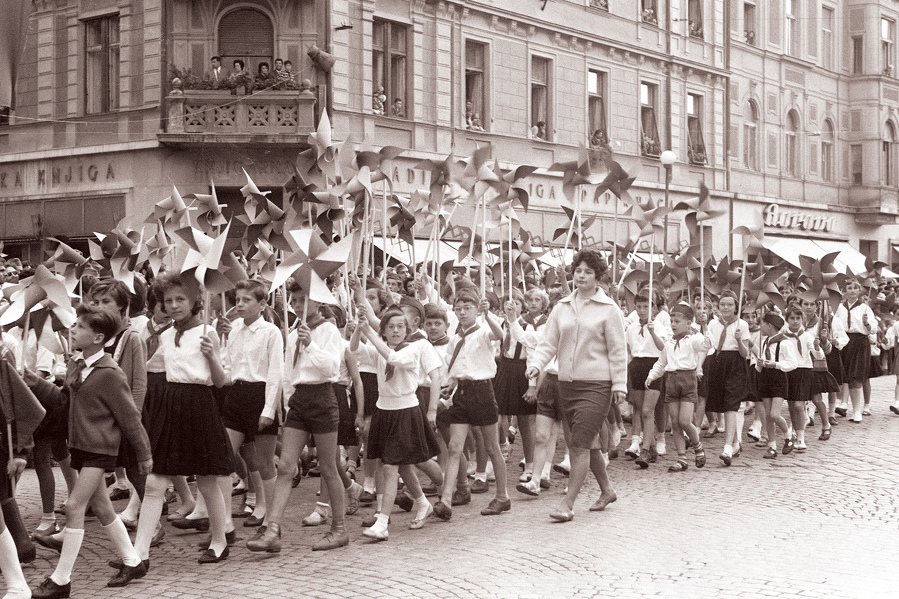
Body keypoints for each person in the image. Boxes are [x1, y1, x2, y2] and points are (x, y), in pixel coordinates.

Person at [28, 307, 152, 597]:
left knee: (73, 508)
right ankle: (133, 562)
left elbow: (130, 417)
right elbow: (62, 401)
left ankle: (61, 580)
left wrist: (144, 454)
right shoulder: (77, 364)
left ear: (99, 337)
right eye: (75, 325)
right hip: (81, 447)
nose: (73, 330)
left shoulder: (111, 373)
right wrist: (32, 381)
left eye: (80, 327)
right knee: (105, 508)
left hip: (101, 449)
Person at [130, 273, 233, 568]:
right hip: (170, 407)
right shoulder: (164, 335)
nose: (174, 305)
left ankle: (219, 541)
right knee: (154, 482)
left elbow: (221, 381)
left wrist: (212, 356)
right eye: (168, 300)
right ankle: (139, 553)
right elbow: (150, 368)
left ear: (195, 301)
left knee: (207, 481)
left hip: (199, 405)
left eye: (180, 299)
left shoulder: (208, 332)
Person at [247, 281, 348, 553]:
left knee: (328, 466)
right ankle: (272, 530)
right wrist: (288, 402)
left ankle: (338, 528)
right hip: (300, 401)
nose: (297, 305)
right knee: (286, 466)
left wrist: (311, 344)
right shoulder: (292, 334)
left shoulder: (328, 330)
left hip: (323, 398)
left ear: (317, 301)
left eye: (303, 299)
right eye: (294, 300)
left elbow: (331, 370)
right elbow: (290, 373)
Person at [526, 249, 623, 521]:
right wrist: (535, 365)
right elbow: (548, 343)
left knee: (578, 444)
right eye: (578, 270)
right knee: (583, 441)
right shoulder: (562, 307)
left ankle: (567, 504)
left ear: (598, 276)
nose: (582, 276)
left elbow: (618, 350)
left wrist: (620, 385)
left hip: (597, 385)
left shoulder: (609, 309)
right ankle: (607, 489)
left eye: (588, 272)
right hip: (566, 384)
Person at [350, 308, 441, 540]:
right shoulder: (379, 348)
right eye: (391, 327)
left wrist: (369, 332)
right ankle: (422, 503)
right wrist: (359, 328)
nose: (396, 331)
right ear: (384, 330)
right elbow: (354, 350)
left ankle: (382, 522)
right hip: (384, 411)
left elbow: (394, 359)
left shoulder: (414, 348)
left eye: (400, 326)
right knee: (401, 465)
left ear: (407, 329)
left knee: (392, 466)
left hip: (406, 410)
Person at [432, 288, 511, 521]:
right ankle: (446, 499)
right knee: (455, 447)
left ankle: (502, 496)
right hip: (462, 392)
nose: (463, 312)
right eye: (459, 308)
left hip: (483, 391)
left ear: (477, 310)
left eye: (468, 308)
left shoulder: (484, 330)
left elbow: (500, 336)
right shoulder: (455, 339)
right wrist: (451, 382)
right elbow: (457, 366)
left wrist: (488, 316)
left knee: (492, 447)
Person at [216, 280, 284, 530]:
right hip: (236, 395)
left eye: (247, 300)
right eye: (238, 299)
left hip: (260, 395)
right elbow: (226, 370)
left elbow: (275, 373)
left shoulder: (271, 332)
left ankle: (269, 515)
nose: (240, 304)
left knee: (264, 462)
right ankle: (223, 522)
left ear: (262, 304)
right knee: (223, 458)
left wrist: (269, 409)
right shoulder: (233, 330)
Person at [644, 302, 710, 471]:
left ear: (689, 323)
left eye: (677, 321)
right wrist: (651, 376)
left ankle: (697, 446)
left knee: (684, 420)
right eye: (671, 321)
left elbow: (707, 345)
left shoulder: (693, 339)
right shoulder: (668, 343)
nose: (673, 324)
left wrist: (705, 326)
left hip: (688, 380)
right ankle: (681, 457)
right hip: (671, 381)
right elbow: (661, 363)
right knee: (674, 423)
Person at [705, 290, 750, 466]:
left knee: (731, 405)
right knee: (723, 405)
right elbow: (708, 345)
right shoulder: (713, 324)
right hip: (718, 362)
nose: (725, 307)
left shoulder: (742, 325)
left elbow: (745, 354)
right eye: (722, 304)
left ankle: (727, 448)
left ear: (735, 307)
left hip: (735, 364)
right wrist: (703, 327)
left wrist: (739, 340)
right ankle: (736, 443)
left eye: (730, 304)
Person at [625, 291, 669, 469]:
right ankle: (650, 447)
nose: (642, 311)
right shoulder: (631, 328)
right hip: (637, 366)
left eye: (646, 307)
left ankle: (644, 449)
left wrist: (652, 333)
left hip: (653, 366)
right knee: (640, 409)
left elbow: (662, 347)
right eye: (639, 307)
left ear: (654, 308)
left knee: (647, 411)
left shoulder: (658, 327)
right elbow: (629, 348)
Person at [756, 312, 796, 459]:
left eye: (762, 324)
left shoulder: (784, 343)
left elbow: (792, 363)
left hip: (779, 378)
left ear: (769, 326)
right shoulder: (764, 342)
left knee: (774, 414)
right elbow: (759, 365)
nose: (760, 326)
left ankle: (788, 435)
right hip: (765, 377)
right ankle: (772, 446)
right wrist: (759, 365)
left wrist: (776, 364)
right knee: (767, 416)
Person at [836, 280, 876, 423]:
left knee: (856, 376)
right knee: (844, 376)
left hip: (859, 342)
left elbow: (874, 328)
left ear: (859, 291)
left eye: (855, 288)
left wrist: (866, 323)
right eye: (849, 288)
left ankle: (857, 411)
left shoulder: (865, 308)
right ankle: (842, 403)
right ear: (844, 291)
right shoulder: (839, 307)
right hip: (844, 341)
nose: (852, 291)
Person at [783, 306, 820, 451]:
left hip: (804, 371)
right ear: (787, 320)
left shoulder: (807, 336)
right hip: (789, 371)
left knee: (799, 405)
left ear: (802, 319)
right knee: (791, 406)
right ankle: (795, 432)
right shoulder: (784, 336)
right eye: (792, 318)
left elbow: (819, 356)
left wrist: (817, 347)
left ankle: (801, 438)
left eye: (798, 318)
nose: (795, 321)